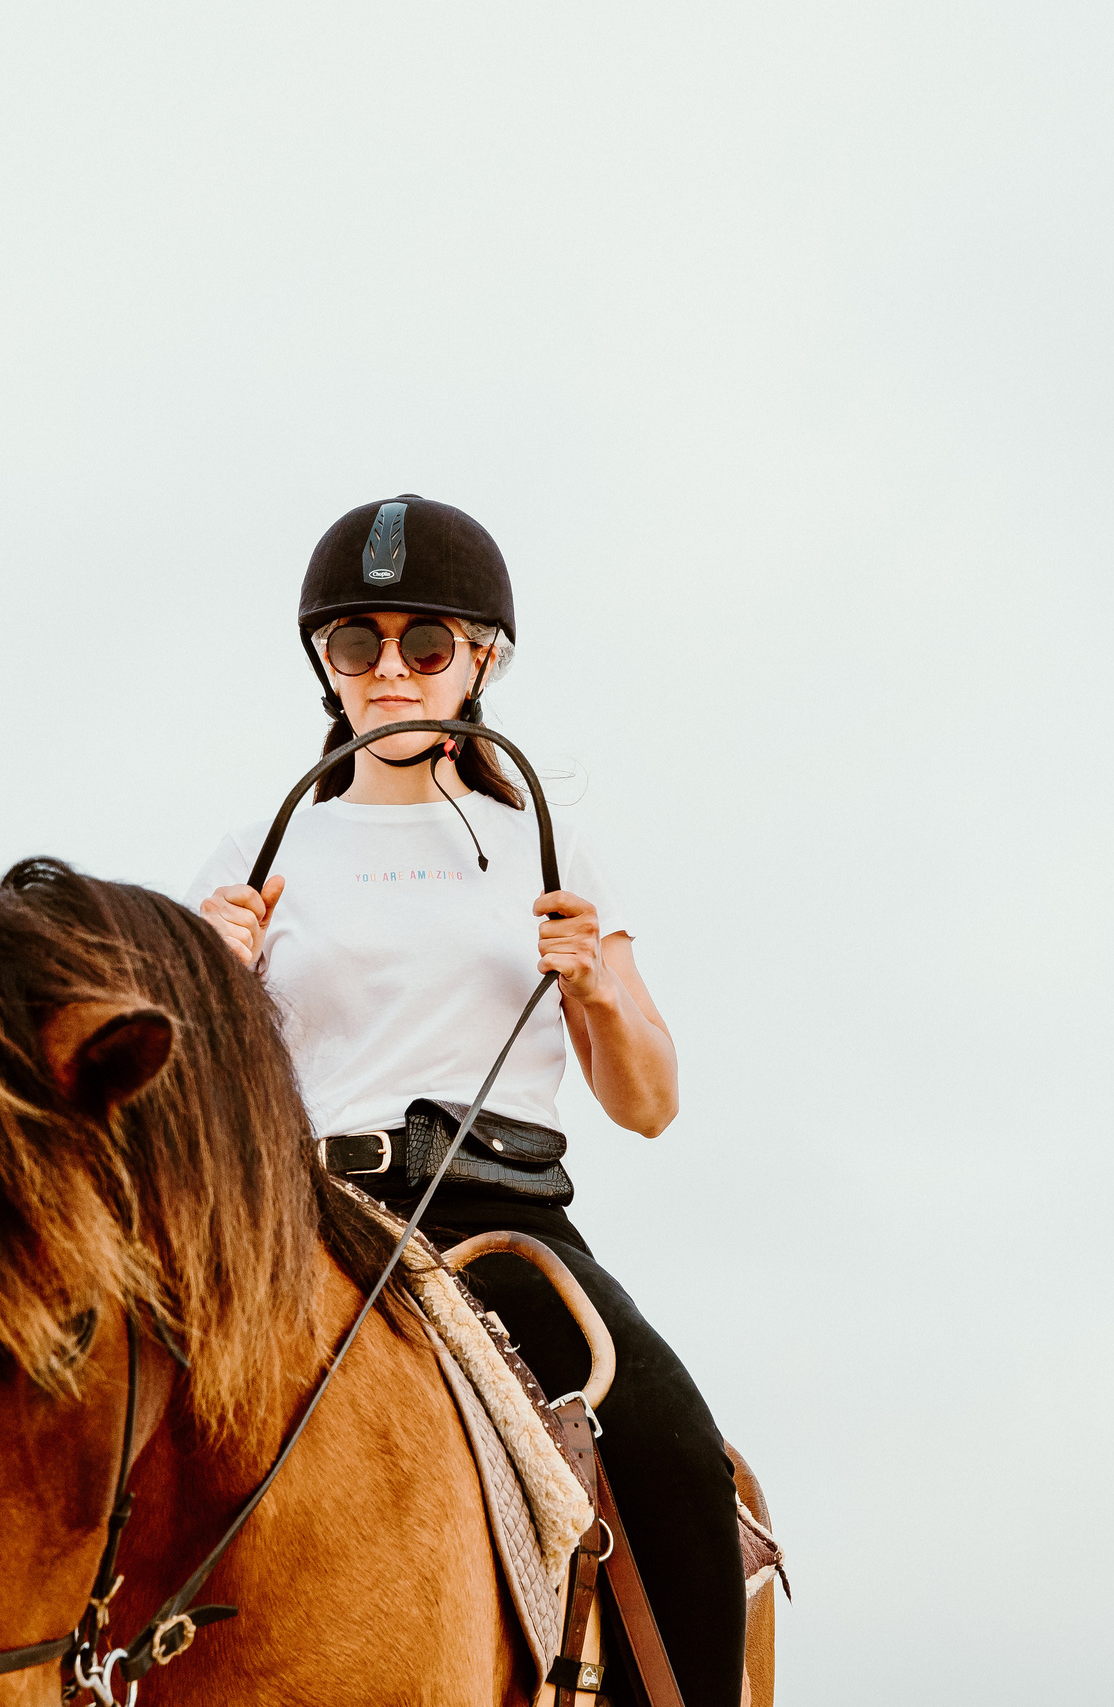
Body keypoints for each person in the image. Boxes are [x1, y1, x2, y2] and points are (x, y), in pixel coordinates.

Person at [183, 495, 744, 1706]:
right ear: (324, 666)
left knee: (672, 1450)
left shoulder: (547, 843)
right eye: (356, 644)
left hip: (497, 1224)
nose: (390, 671)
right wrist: (204, 984)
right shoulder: (252, 854)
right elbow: (179, 1102)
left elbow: (649, 1104)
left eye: (424, 645)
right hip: (300, 1221)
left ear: (479, 662)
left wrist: (593, 988)